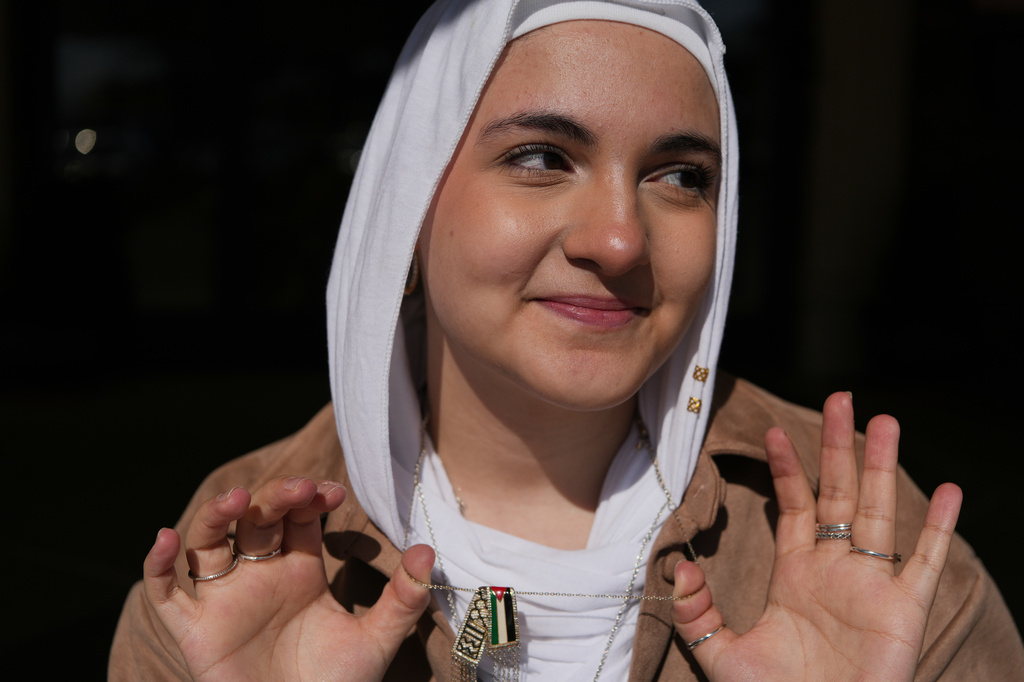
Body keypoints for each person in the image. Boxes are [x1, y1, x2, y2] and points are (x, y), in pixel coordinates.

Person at [109, 0, 1024, 679]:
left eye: (680, 175)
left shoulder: (859, 537)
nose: (621, 238)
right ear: (409, 213)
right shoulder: (244, 552)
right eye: (542, 158)